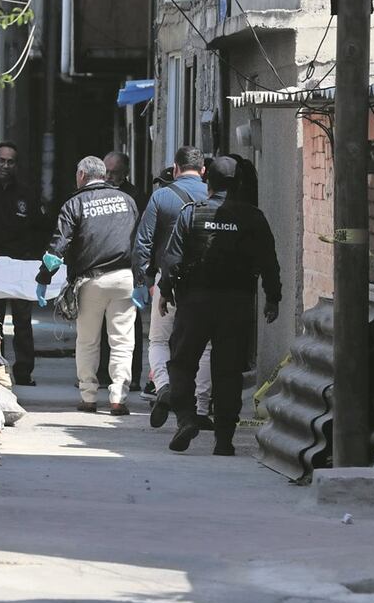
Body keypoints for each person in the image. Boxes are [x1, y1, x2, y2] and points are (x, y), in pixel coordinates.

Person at [158, 155, 282, 455]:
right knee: (227, 372)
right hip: (236, 304)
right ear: (238, 183)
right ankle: (224, 441)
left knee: (181, 364)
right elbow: (269, 262)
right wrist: (273, 298)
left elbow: (172, 259)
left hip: (195, 302)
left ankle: (186, 418)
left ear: (206, 181)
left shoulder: (191, 213)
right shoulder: (253, 217)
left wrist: (165, 291)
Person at [36, 156, 139, 415]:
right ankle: (118, 397)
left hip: (91, 281)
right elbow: (140, 241)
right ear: (103, 175)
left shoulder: (75, 203)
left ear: (82, 175)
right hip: (125, 278)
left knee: (88, 341)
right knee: (123, 341)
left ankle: (89, 396)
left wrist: (43, 279)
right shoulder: (127, 200)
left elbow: (57, 248)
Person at [132, 146, 213, 429]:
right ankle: (201, 407)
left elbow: (143, 242)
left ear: (176, 169)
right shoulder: (211, 196)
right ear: (203, 170)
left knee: (159, 341)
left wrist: (142, 281)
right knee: (204, 347)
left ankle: (164, 387)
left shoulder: (162, 196)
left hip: (166, 283)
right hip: (205, 284)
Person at [0, 141, 44, 385]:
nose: (5, 165)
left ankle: (24, 373)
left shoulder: (26, 193)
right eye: (1, 160)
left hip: (20, 264)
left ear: (16, 165)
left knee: (23, 321)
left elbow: (38, 228)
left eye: (10, 161)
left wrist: (35, 262)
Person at [98, 151, 143, 391]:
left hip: (128, 267)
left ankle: (131, 376)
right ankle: (103, 373)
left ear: (125, 172)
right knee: (101, 325)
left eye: (114, 173)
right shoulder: (97, 195)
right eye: (106, 172)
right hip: (101, 266)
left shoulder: (135, 196)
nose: (109, 177)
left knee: (128, 327)